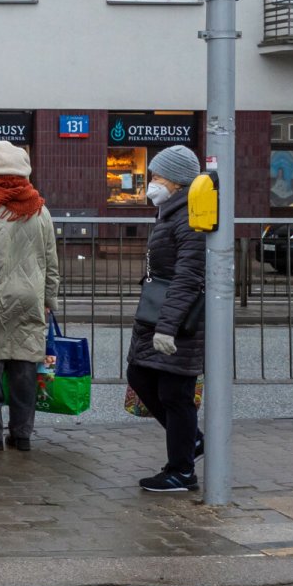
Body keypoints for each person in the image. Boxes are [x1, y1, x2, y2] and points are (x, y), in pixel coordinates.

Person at [0, 140, 59, 453]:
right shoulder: (39, 208)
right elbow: (51, 262)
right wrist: (49, 300)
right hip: (31, 297)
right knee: (25, 367)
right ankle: (22, 435)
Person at [127, 145, 207, 493]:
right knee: (140, 375)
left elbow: (188, 276)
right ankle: (192, 442)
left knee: (175, 392)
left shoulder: (189, 217)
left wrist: (166, 328)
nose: (153, 182)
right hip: (160, 313)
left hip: (177, 320)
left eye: (158, 176)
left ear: (176, 181)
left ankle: (181, 471)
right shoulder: (170, 212)